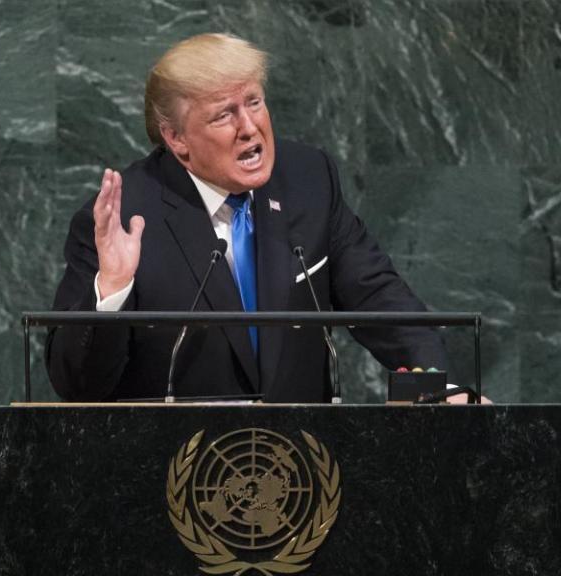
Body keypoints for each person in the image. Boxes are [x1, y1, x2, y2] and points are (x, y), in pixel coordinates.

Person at [46, 33, 447, 403]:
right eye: (224, 115)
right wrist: (112, 288)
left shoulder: (309, 180)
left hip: (304, 463)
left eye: (254, 102)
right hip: (177, 466)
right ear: (177, 139)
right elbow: (77, 387)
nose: (250, 127)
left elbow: (379, 297)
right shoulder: (125, 219)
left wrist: (438, 388)